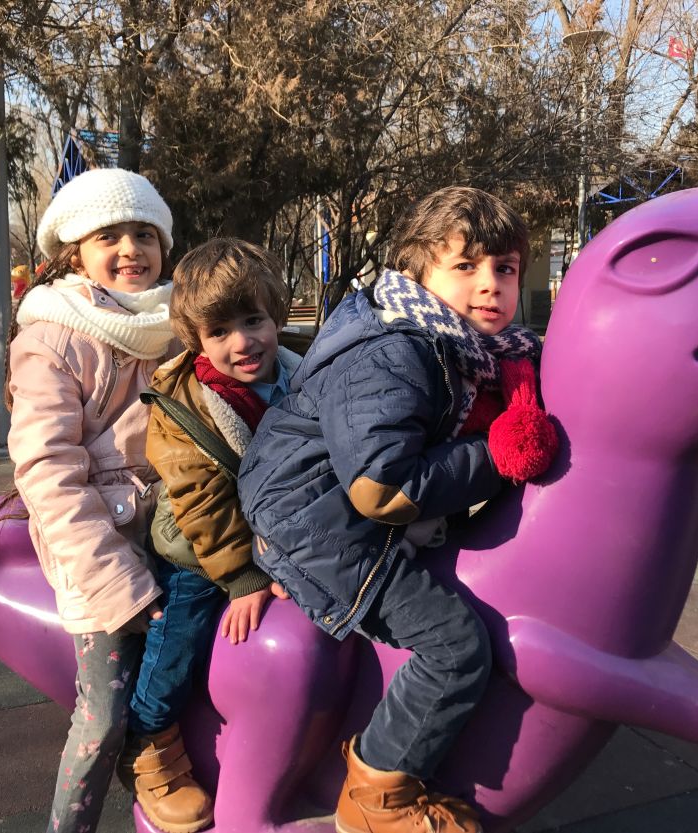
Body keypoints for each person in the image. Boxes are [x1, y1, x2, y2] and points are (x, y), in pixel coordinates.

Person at [237, 186, 558, 833]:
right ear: (416, 271)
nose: (491, 283)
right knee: (456, 645)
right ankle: (377, 795)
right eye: (464, 266)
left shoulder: (471, 348)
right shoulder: (394, 349)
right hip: (317, 525)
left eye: (505, 267)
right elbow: (380, 489)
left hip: (346, 513)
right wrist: (494, 456)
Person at [4, 167, 180, 833]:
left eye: (145, 233)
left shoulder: (173, 324)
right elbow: (47, 469)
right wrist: (115, 580)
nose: (132, 247)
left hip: (174, 530)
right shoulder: (52, 335)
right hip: (98, 549)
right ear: (75, 250)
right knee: (104, 713)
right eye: (111, 234)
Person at [117, 238, 297, 830]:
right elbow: (201, 501)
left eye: (254, 321)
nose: (243, 343)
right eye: (220, 331)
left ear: (277, 316)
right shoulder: (182, 404)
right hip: (198, 544)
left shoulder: (305, 376)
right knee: (183, 629)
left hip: (278, 529)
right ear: (196, 339)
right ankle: (149, 736)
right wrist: (243, 576)